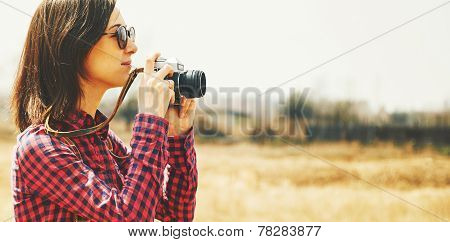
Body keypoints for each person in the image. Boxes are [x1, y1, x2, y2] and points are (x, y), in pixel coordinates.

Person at [10, 0, 198, 222]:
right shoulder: (40, 148)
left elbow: (175, 218)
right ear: (73, 43)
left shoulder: (104, 141)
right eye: (118, 35)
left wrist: (177, 135)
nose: (132, 47)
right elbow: (130, 224)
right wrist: (150, 120)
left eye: (129, 33)